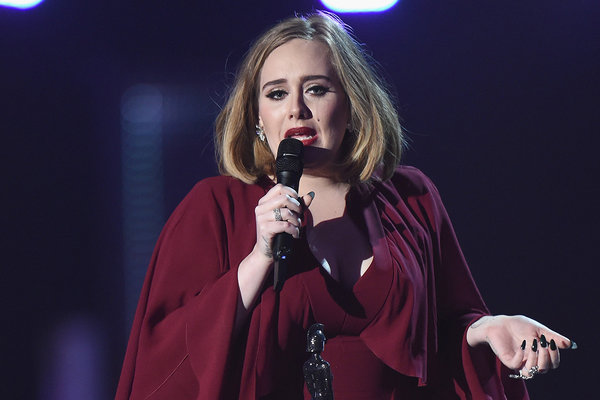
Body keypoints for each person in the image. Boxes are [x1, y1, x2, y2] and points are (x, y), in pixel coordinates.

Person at [116, 12, 575, 399]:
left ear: (352, 104)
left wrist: (489, 330)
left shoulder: (411, 199)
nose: (296, 108)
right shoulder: (214, 207)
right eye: (276, 93)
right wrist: (256, 260)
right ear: (257, 119)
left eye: (316, 88)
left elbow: (442, 337)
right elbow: (161, 360)